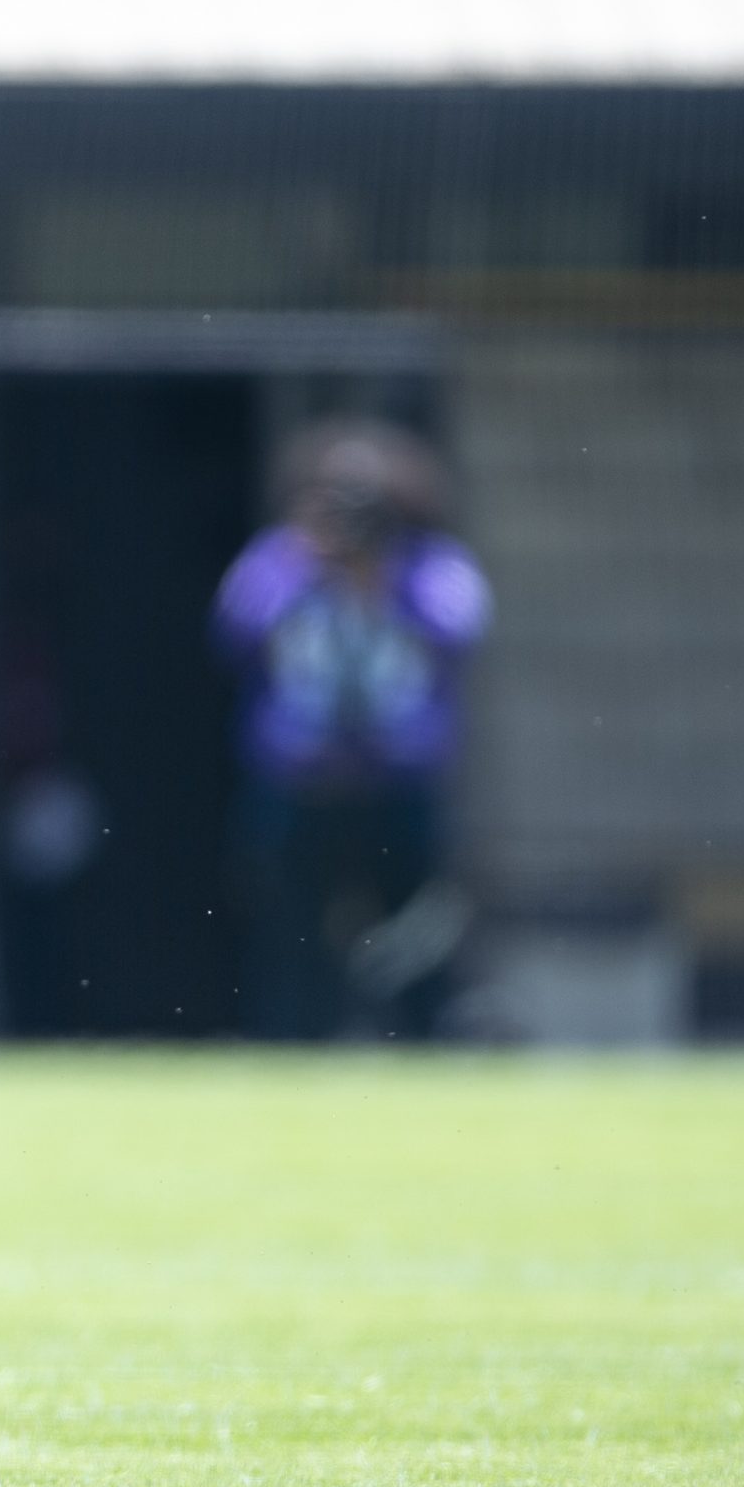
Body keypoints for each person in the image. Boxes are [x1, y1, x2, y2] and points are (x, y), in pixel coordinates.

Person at [214, 418, 492, 1041]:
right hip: (297, 785)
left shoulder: (429, 566)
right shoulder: (280, 560)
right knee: (290, 936)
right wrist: (307, 563)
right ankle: (291, 1052)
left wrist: (383, 580)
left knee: (418, 935)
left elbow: (463, 629)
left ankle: (426, 1051)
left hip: (399, 784)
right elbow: (233, 630)